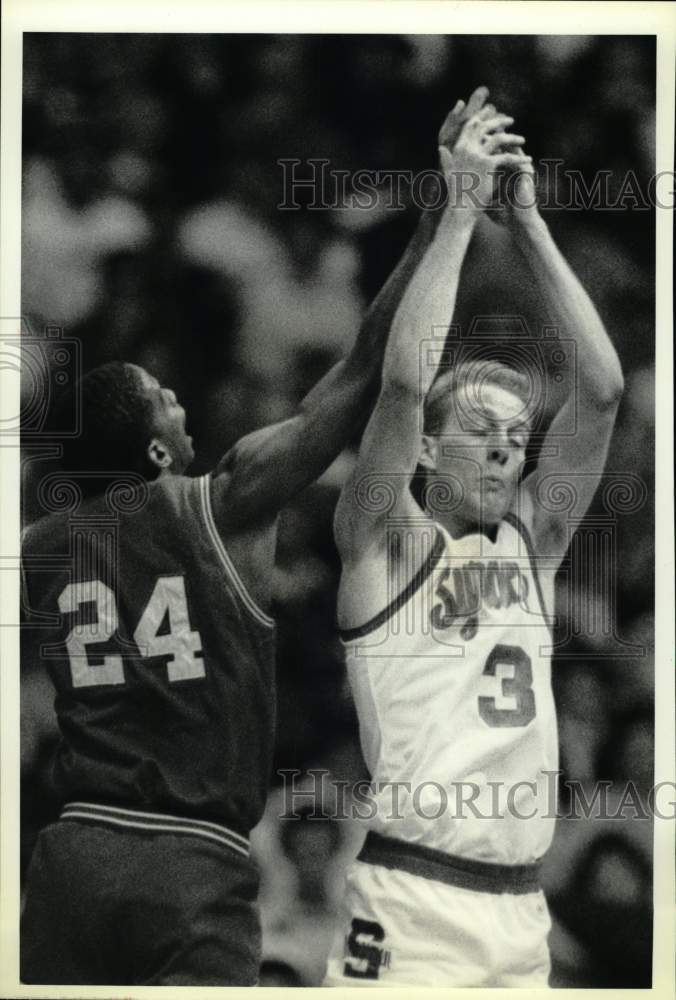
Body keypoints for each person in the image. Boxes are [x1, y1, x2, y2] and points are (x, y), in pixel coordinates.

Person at [19, 90, 494, 987]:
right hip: (186, 858)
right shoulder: (222, 499)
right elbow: (357, 374)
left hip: (70, 849)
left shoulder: (42, 544)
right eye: (166, 395)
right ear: (156, 445)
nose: (183, 397)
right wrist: (439, 217)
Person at [323, 99, 624, 987]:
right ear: (425, 450)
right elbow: (407, 379)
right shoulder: (383, 541)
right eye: (482, 430)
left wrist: (526, 222)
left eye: (516, 435)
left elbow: (601, 389)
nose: (506, 446)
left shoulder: (530, 549)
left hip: (522, 906)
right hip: (414, 897)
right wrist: (460, 208)